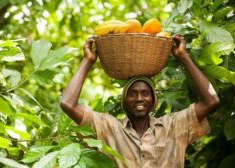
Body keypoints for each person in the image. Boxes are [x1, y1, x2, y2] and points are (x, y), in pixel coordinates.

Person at [60, 35, 220, 168]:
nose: (139, 98)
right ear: (124, 100)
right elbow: (68, 103)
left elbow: (211, 100)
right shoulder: (109, 128)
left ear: (153, 100)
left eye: (145, 93)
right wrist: (88, 60)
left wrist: (183, 56)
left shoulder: (173, 126)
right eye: (133, 94)